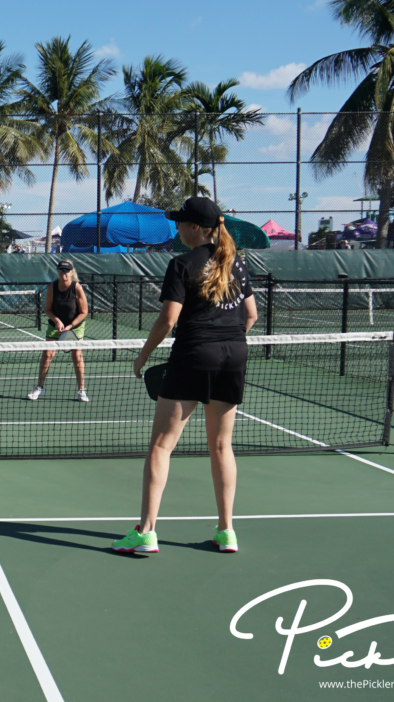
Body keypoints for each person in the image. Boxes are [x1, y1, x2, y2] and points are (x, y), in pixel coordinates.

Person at [112, 197, 258, 555]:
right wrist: (224, 339)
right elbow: (251, 315)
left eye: (180, 223)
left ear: (195, 228)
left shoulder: (181, 264)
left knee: (162, 445)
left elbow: (168, 319)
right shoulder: (236, 264)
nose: (176, 228)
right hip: (234, 354)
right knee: (222, 446)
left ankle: (146, 532)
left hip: (195, 354)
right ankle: (227, 532)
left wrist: (143, 355)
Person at [27, 259, 90, 402]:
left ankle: (81, 390)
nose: (64, 274)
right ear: (58, 272)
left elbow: (84, 312)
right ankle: (39, 388)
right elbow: (48, 310)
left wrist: (70, 326)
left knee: (77, 356)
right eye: (61, 271)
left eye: (66, 271)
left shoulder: (77, 288)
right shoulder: (52, 288)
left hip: (75, 326)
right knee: (47, 354)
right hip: (55, 326)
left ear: (71, 272)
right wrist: (57, 321)